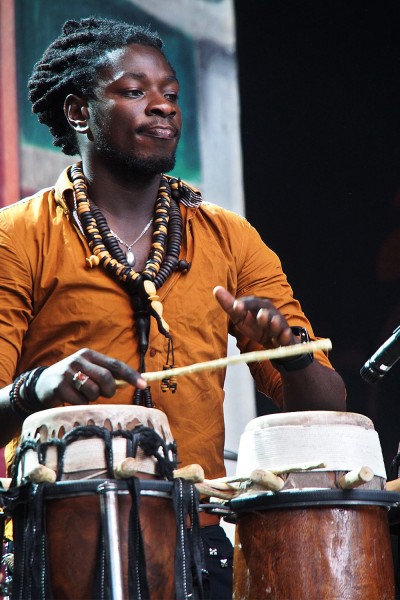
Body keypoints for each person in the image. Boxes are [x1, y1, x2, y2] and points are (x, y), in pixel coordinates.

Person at [0, 16, 346, 599]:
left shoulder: (231, 239)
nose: (163, 108)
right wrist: (36, 386)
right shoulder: (18, 236)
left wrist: (286, 354)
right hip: (64, 542)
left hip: (198, 540)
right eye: (135, 92)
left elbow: (329, 404)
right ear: (79, 112)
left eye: (171, 94)